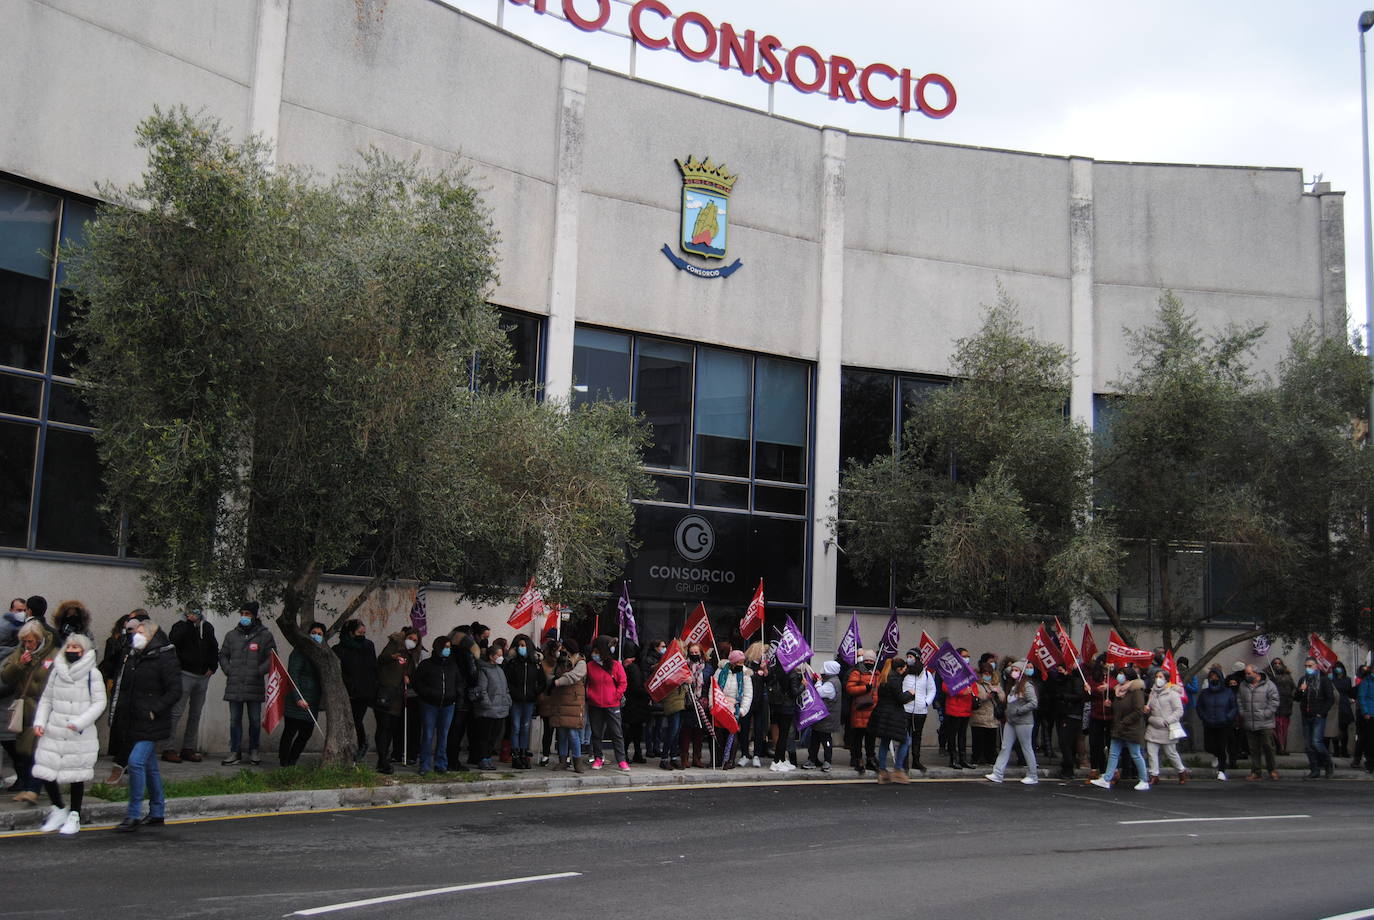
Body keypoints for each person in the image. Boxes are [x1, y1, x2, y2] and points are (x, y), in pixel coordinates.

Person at [30, 631, 105, 835]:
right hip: (55, 728)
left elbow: (99, 703)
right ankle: (58, 808)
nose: (71, 651)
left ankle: (75, 814)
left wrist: (80, 722)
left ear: (84, 650)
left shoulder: (92, 674)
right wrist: (40, 721)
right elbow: (46, 699)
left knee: (76, 774)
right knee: (46, 769)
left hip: (78, 732)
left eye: (76, 648)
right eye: (69, 647)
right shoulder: (57, 671)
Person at [113, 618, 182, 831]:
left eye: (141, 632)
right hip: (136, 719)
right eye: (135, 632)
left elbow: (174, 691)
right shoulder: (134, 656)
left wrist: (155, 709)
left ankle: (133, 814)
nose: (136, 635)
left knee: (135, 763)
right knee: (149, 766)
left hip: (153, 720)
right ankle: (157, 811)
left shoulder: (164, 657)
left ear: (152, 635)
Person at [0, 620, 58, 804]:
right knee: (24, 750)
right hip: (24, 709)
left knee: (36, 750)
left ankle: (32, 789)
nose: (27, 645)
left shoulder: (53, 655)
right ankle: (29, 786)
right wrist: (19, 664)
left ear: (39, 639)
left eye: (30, 641)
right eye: (24, 641)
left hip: (43, 709)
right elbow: (6, 677)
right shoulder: (20, 653)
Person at [219, 601, 277, 766]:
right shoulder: (231, 635)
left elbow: (272, 657)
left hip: (254, 684)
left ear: (255, 616)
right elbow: (223, 655)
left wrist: (258, 671)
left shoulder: (265, 636)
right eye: (243, 613)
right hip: (235, 684)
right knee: (234, 720)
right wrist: (228, 669)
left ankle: (254, 750)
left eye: (248, 614)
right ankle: (234, 751)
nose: (244, 617)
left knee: (254, 719)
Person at [164, 606, 218, 763]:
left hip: (203, 676)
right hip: (185, 674)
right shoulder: (180, 627)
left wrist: (212, 667)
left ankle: (188, 748)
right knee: (176, 712)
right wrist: (189, 623)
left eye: (196, 612)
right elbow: (174, 641)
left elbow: (214, 648)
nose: (194, 615)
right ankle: (168, 748)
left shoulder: (207, 627)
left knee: (196, 713)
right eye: (191, 612)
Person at [1089, 666, 1151, 792]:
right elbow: (1119, 709)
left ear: (1128, 675)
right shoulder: (1119, 691)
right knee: (1113, 754)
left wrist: (1124, 722)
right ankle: (1106, 779)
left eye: (1122, 673)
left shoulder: (1136, 690)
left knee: (1135, 754)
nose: (1119, 676)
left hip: (1130, 729)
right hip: (1118, 728)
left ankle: (1144, 780)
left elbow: (1138, 710)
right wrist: (1111, 705)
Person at [278, 623, 325, 768]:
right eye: (314, 632)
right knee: (290, 732)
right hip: (297, 700)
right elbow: (293, 676)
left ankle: (293, 760)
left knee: (306, 733)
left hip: (312, 701)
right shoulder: (299, 652)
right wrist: (298, 698)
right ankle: (284, 762)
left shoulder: (321, 654)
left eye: (320, 633)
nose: (316, 635)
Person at [986, 661, 1039, 785]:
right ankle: (998, 773)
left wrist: (1020, 711)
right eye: (1013, 670)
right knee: (1005, 747)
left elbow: (1033, 703)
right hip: (1011, 721)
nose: (1013, 672)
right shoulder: (1015, 686)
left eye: (1016, 670)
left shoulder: (1027, 686)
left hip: (1024, 722)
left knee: (1026, 747)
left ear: (1021, 672)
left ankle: (1033, 775)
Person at [414, 634, 459, 775]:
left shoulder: (452, 665)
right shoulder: (426, 665)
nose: (448, 650)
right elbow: (417, 682)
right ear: (438, 647)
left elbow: (459, 682)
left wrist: (455, 695)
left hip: (448, 705)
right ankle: (425, 765)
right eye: (445, 647)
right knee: (427, 734)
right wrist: (427, 693)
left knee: (443, 735)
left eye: (449, 647)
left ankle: (441, 764)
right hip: (429, 704)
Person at [373, 628, 416, 774]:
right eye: (410, 638)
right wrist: (393, 656)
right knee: (383, 728)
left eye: (415, 640)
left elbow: (410, 673)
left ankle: (385, 757)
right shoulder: (394, 645)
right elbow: (382, 659)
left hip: (398, 697)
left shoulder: (410, 655)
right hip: (385, 693)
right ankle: (382, 760)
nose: (412, 642)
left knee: (391, 729)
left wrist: (408, 678)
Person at [334, 619, 378, 761]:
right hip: (346, 691)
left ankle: (362, 743)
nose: (362, 635)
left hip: (363, 692)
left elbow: (372, 668)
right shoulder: (339, 649)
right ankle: (346, 747)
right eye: (359, 632)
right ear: (351, 633)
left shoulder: (368, 646)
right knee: (346, 720)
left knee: (356, 719)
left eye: (364, 633)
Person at [584, 636, 629, 772]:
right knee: (597, 733)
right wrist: (589, 694)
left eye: (597, 652)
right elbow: (586, 683)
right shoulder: (590, 666)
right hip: (595, 704)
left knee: (616, 733)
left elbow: (623, 683)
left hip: (612, 704)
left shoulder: (616, 665)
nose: (595, 654)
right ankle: (598, 758)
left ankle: (621, 760)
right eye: (594, 652)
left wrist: (616, 696)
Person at [504, 633, 545, 770]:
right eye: (519, 646)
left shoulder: (535, 663)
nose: (522, 648)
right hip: (516, 700)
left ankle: (523, 754)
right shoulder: (513, 663)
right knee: (515, 727)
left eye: (524, 645)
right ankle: (515, 755)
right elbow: (507, 681)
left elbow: (542, 681)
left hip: (529, 700)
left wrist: (535, 691)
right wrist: (514, 692)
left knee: (525, 728)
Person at [870, 657, 914, 784]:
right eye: (904, 668)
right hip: (893, 715)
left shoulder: (885, 676)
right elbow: (900, 698)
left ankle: (882, 771)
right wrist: (910, 693)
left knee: (885, 742)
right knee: (906, 740)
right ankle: (898, 770)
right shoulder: (895, 679)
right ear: (899, 669)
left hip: (882, 713)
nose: (905, 670)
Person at [1144, 667, 1189, 784]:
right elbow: (1150, 707)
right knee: (1151, 752)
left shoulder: (1172, 694)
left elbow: (1179, 711)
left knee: (1171, 753)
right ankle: (1154, 775)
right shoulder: (1152, 692)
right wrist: (1147, 709)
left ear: (1166, 679)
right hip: (1154, 726)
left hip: (1167, 728)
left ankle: (1181, 771)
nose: (1158, 679)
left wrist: (1167, 721)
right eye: (1156, 677)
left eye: (1161, 677)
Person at [548, 638, 587, 772]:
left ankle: (577, 761)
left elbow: (573, 676)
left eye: (563, 649)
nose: (561, 651)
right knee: (562, 732)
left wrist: (558, 682)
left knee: (572, 732)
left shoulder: (580, 662)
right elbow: (554, 674)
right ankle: (562, 760)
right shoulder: (561, 661)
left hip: (573, 702)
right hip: (561, 699)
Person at [1237, 662, 1279, 781]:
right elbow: (1239, 700)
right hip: (1250, 722)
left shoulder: (1269, 685)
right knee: (1253, 749)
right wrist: (1243, 713)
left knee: (1268, 747)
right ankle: (1256, 771)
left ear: (1256, 673)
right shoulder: (1243, 686)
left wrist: (1266, 713)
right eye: (1246, 674)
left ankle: (1272, 770)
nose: (1247, 676)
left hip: (1265, 723)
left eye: (1249, 673)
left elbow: (1274, 701)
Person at [1295, 656, 1336, 779]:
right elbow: (1296, 698)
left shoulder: (1324, 680)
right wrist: (1301, 691)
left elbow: (1330, 698)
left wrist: (1322, 712)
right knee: (1308, 745)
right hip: (1306, 715)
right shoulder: (1303, 680)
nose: (1307, 668)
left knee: (1316, 742)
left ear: (1316, 666)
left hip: (1318, 716)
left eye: (1310, 666)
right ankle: (1314, 769)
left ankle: (1328, 764)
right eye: (1306, 666)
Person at [1196, 665, 1239, 780]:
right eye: (1211, 676)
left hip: (1223, 724)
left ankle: (1221, 770)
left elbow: (1234, 707)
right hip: (1209, 723)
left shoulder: (1228, 692)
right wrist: (1204, 717)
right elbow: (1199, 707)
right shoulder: (1205, 693)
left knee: (1221, 747)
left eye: (1216, 676)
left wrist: (1227, 718)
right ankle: (1216, 755)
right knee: (1208, 746)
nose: (1213, 678)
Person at [714, 649, 753, 769]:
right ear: (732, 662)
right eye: (739, 663)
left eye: (742, 663)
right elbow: (713, 687)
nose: (741, 665)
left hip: (735, 707)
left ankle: (730, 760)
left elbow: (748, 694)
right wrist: (712, 704)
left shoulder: (746, 674)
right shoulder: (720, 671)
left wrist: (742, 710)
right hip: (720, 705)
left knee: (732, 733)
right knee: (719, 733)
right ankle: (718, 759)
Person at [1051, 664, 1088, 780]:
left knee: (1065, 742)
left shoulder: (1075, 681)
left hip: (1071, 714)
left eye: (1061, 670)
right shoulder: (1062, 681)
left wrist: (1063, 696)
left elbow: (1078, 696)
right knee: (1065, 743)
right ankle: (1066, 767)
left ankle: (1068, 769)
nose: (1059, 672)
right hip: (1063, 713)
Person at [902, 649, 937, 773]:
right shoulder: (904, 672)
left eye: (911, 656)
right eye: (907, 656)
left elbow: (932, 690)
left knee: (917, 736)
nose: (908, 658)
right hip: (906, 709)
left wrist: (926, 702)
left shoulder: (926, 674)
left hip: (920, 711)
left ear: (916, 658)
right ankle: (903, 762)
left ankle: (916, 761)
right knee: (904, 736)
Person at [803, 660, 841, 772]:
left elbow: (820, 692)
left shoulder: (831, 683)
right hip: (822, 717)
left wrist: (818, 682)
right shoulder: (831, 680)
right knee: (815, 739)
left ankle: (827, 761)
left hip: (826, 717)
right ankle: (813, 759)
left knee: (825, 740)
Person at [845, 649, 878, 775]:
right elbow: (850, 688)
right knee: (858, 737)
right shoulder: (857, 672)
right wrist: (865, 688)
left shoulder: (877, 673)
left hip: (873, 711)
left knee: (871, 738)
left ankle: (870, 758)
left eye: (872, 660)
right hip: (860, 710)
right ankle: (857, 759)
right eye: (867, 660)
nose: (869, 662)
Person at [942, 648, 976, 770]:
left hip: (966, 708)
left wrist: (974, 694)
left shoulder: (969, 671)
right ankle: (953, 759)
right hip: (954, 708)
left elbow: (974, 686)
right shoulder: (951, 671)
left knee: (962, 736)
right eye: (964, 656)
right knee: (953, 735)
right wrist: (963, 692)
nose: (967, 658)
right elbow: (946, 687)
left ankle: (963, 759)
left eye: (968, 656)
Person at [738, 642, 770, 767]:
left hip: (760, 701)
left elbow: (769, 681)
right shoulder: (746, 666)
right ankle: (745, 754)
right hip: (747, 702)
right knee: (744, 729)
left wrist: (765, 671)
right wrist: (757, 674)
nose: (765, 655)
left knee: (759, 729)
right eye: (763, 652)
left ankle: (757, 755)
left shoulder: (763, 666)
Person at [680, 642, 710, 769]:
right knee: (686, 731)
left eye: (696, 653)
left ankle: (697, 758)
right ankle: (684, 758)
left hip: (701, 701)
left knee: (699, 732)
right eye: (691, 653)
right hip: (687, 701)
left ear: (701, 653)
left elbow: (710, 684)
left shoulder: (708, 667)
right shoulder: (684, 666)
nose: (694, 655)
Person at [969, 654, 1003, 766]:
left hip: (992, 717)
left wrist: (997, 692)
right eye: (985, 673)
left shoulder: (995, 684)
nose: (987, 675)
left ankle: (990, 758)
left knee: (991, 741)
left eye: (989, 673)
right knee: (978, 740)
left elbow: (1003, 697)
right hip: (979, 716)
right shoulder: (977, 684)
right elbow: (976, 696)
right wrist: (986, 696)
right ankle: (977, 758)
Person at [620, 641, 649, 764]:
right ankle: (627, 753)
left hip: (632, 704)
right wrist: (648, 693)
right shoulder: (634, 667)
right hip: (635, 704)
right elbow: (637, 687)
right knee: (632, 731)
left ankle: (635, 753)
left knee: (634, 731)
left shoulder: (628, 666)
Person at [1087, 657, 1112, 780]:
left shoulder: (1113, 677)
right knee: (1095, 743)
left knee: (1109, 744)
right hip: (1096, 715)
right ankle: (1094, 768)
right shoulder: (1094, 677)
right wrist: (1092, 690)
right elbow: (1088, 693)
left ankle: (1108, 770)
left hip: (1110, 717)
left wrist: (1110, 689)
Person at [1267, 657, 1296, 755]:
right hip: (1274, 707)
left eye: (1279, 663)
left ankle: (1282, 748)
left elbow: (1293, 688)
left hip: (1286, 706)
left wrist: (1291, 696)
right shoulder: (1269, 676)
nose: (1277, 665)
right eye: (1275, 663)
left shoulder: (1287, 676)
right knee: (1274, 729)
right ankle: (1277, 747)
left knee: (1283, 729)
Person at [1332, 661, 1355, 760]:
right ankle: (1336, 750)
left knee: (1344, 730)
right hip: (1335, 706)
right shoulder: (1332, 680)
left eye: (1339, 667)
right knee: (1334, 730)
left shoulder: (1347, 679)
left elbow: (1349, 692)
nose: (1338, 669)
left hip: (1345, 705)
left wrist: (1351, 699)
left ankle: (1344, 750)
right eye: (1336, 667)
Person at [1356, 664, 1374, 773]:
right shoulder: (1367, 681)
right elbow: (1362, 697)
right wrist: (1365, 712)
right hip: (1370, 714)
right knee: (1370, 740)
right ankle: (1370, 764)